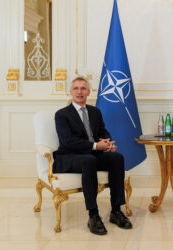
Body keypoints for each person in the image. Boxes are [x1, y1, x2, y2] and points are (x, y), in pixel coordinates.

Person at [53, 77, 132, 235]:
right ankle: (93, 215)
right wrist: (96, 146)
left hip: (92, 154)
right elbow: (68, 142)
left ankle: (116, 211)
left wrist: (107, 143)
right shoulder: (62, 114)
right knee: (89, 160)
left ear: (89, 92)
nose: (79, 92)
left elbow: (103, 132)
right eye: (76, 88)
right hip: (70, 156)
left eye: (83, 88)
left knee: (117, 158)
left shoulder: (95, 112)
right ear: (70, 92)